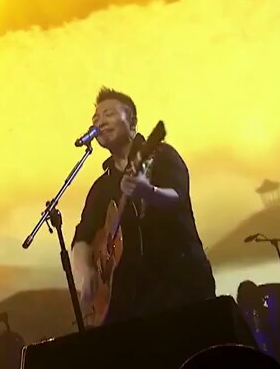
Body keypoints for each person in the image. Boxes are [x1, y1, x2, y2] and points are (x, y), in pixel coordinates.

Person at [70, 87, 215, 325]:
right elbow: (82, 237)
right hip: (127, 304)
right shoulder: (101, 188)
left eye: (109, 114)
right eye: (95, 119)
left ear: (133, 122)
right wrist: (86, 271)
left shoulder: (161, 154)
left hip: (180, 286)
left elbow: (177, 197)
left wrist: (148, 192)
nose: (100, 122)